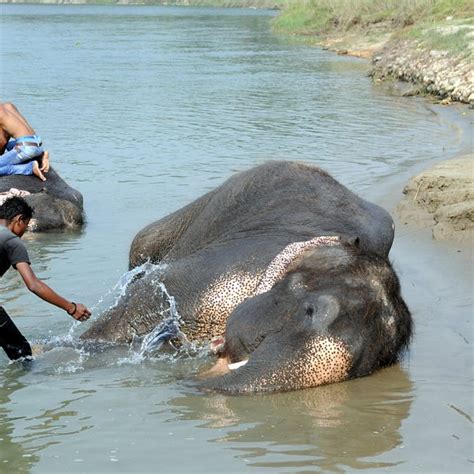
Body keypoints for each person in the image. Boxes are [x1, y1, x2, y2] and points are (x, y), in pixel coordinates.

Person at [0, 196, 91, 361]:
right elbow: (33, 285)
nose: (23, 233)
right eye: (25, 227)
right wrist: (71, 308)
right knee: (21, 352)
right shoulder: (12, 242)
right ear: (19, 220)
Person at [0, 102, 50, 182]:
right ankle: (41, 155)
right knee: (9, 145)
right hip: (37, 142)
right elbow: (6, 139)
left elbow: (2, 142)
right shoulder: (9, 105)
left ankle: (29, 168)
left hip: (26, 148)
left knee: (6, 167)